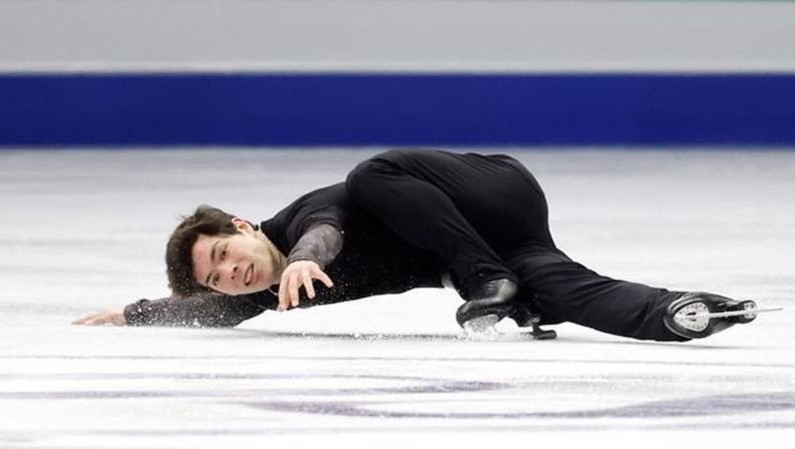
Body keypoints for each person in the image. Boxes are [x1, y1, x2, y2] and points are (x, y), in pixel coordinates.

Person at [74, 149, 758, 341]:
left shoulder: (300, 224)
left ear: (244, 226)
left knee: (370, 174)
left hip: (491, 188)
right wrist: (135, 313)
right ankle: (686, 312)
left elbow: (325, 228)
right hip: (495, 245)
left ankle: (487, 281)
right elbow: (213, 312)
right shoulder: (259, 295)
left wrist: (307, 256)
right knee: (557, 291)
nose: (230, 274)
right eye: (217, 277)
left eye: (223, 254)